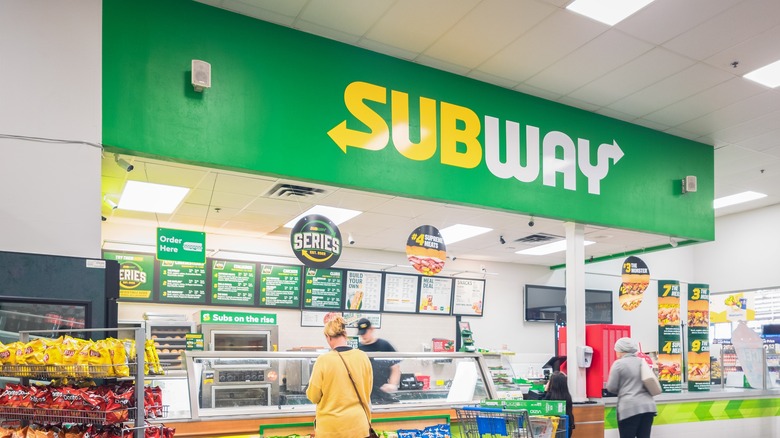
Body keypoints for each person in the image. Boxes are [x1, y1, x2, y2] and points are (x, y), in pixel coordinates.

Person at [306, 316, 373, 438]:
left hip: (331, 429)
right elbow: (367, 390)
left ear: (328, 337)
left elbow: (313, 396)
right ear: (345, 335)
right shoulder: (363, 357)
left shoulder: (323, 360)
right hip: (359, 426)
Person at [606, 337, 657, 438]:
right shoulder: (642, 362)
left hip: (629, 409)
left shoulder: (618, 364)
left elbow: (611, 387)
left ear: (620, 351)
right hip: (648, 408)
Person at [357, 318, 401, 404]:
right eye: (361, 334)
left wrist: (392, 385)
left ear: (372, 329)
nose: (363, 336)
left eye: (365, 332)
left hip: (382, 392)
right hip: (364, 393)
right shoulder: (358, 348)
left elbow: (395, 368)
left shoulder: (384, 345)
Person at [543, 371, 575, 438]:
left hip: (552, 429)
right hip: (566, 427)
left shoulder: (549, 396)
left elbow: (542, 407)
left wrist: (545, 391)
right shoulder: (567, 396)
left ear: (552, 383)